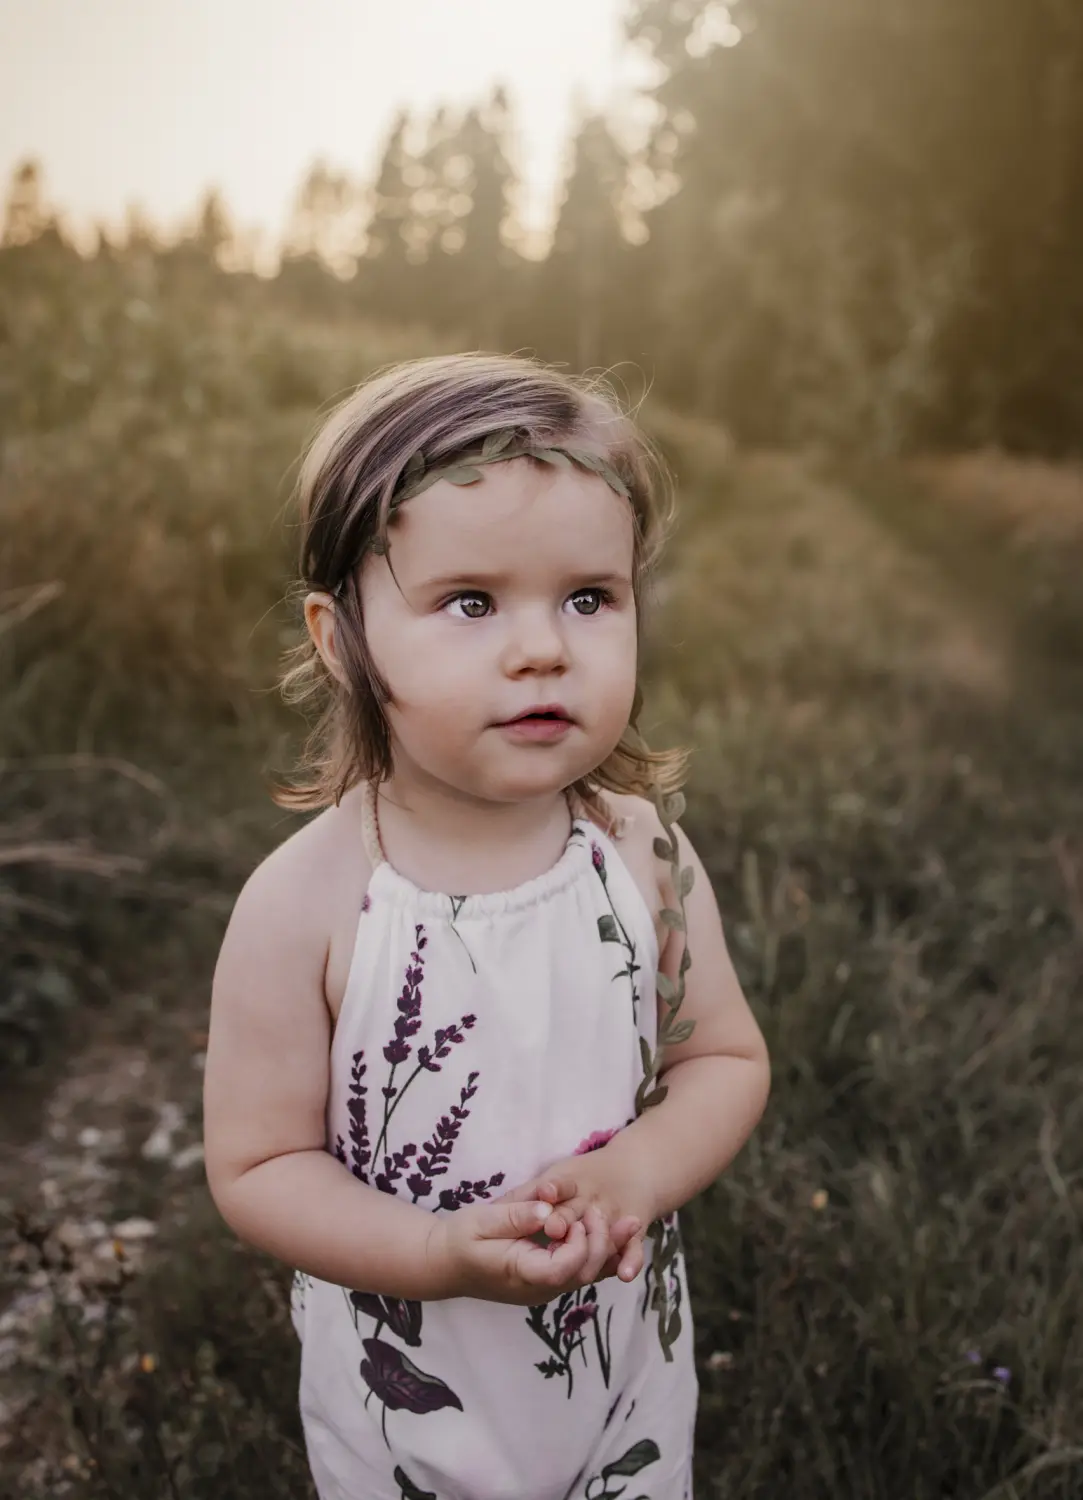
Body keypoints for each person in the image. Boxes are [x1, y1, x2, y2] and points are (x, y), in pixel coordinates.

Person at [203, 352, 771, 1500]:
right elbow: (259, 1162)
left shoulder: (640, 853)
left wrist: (638, 1178)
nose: (542, 646)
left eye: (588, 598)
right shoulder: (308, 901)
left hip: (616, 1361)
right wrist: (435, 1257)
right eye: (470, 602)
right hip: (411, 1388)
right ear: (340, 638)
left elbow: (724, 1055)